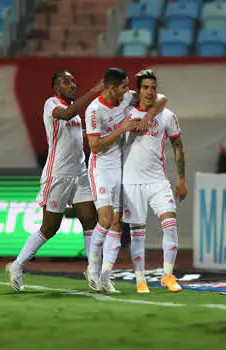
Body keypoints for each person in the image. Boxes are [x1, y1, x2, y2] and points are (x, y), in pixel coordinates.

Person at [5, 70, 103, 291]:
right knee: (50, 228)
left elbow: (80, 134)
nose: (72, 85)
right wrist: (95, 92)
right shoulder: (52, 104)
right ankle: (17, 265)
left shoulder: (76, 114)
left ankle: (94, 272)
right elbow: (67, 114)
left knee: (89, 221)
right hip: (57, 175)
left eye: (74, 81)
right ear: (56, 87)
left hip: (79, 174)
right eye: (66, 82)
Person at [85, 68, 167, 292]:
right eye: (123, 86)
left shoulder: (125, 99)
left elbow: (161, 98)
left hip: (122, 168)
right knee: (105, 219)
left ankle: (105, 276)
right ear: (111, 88)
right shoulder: (94, 110)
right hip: (101, 167)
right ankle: (92, 269)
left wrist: (147, 118)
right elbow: (94, 146)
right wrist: (122, 129)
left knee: (117, 223)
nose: (128, 90)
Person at [122, 69, 186, 294]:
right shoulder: (126, 112)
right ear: (137, 91)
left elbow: (177, 146)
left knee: (170, 224)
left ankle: (168, 275)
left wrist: (181, 179)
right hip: (131, 182)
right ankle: (140, 279)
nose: (150, 91)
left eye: (153, 87)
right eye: (145, 87)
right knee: (137, 232)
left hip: (159, 181)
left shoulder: (167, 115)